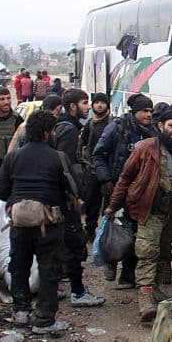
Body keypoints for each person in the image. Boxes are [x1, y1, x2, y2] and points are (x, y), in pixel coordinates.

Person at [0, 110, 78, 333]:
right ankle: (44, 319)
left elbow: (0, 191)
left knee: (19, 266)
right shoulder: (58, 157)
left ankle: (20, 311)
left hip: (19, 223)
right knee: (49, 269)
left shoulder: (13, 157)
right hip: (48, 224)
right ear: (48, 132)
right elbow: (74, 189)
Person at [105, 103, 172, 321]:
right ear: (160, 126)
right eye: (171, 126)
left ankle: (156, 288)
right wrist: (113, 205)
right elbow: (125, 178)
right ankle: (145, 298)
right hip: (149, 209)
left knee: (163, 251)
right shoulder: (144, 148)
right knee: (147, 252)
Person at [91, 93, 156, 288]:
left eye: (151, 111)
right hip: (116, 189)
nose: (149, 115)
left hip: (140, 193)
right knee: (115, 229)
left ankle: (128, 275)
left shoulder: (152, 133)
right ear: (135, 112)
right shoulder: (117, 128)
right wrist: (105, 179)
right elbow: (98, 155)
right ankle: (111, 260)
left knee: (136, 234)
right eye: (145, 111)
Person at [53, 88, 105, 308]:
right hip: (66, 200)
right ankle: (77, 292)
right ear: (73, 106)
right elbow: (63, 166)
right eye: (85, 103)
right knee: (73, 244)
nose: (89, 107)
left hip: (63, 198)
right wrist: (72, 195)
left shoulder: (69, 126)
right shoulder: (67, 129)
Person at [79, 92, 111, 241]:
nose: (99, 105)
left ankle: (108, 232)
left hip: (108, 171)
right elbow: (83, 144)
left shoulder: (112, 124)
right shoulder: (90, 124)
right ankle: (90, 229)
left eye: (102, 102)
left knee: (109, 203)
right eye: (97, 102)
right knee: (92, 201)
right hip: (92, 171)